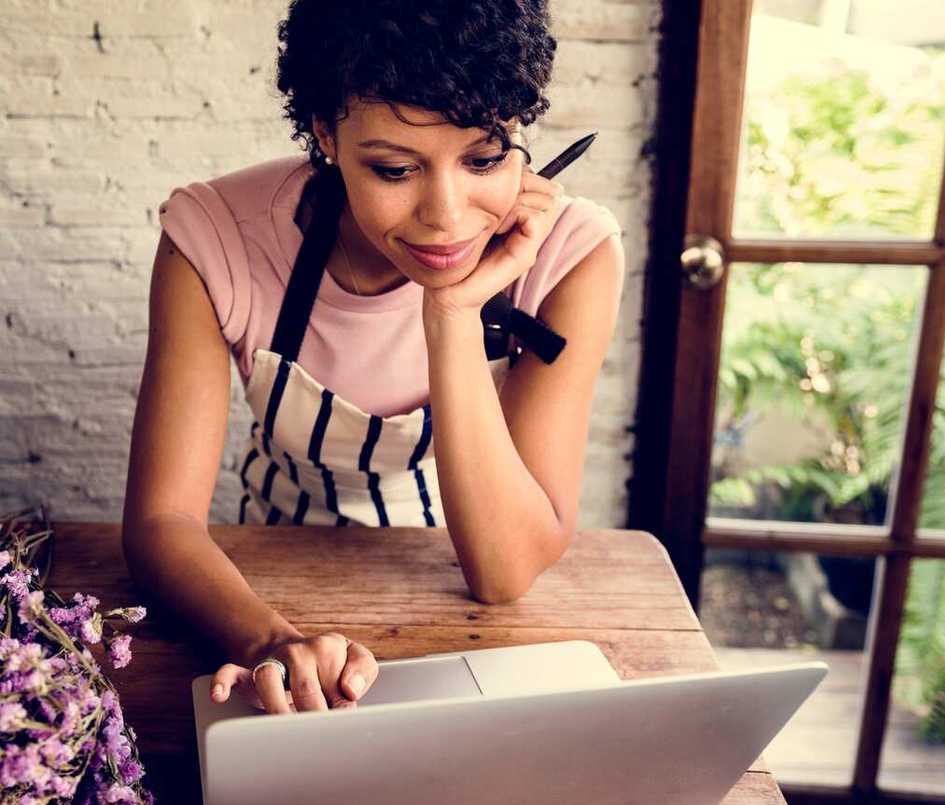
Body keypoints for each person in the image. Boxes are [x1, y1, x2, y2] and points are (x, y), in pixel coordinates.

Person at [120, 0, 626, 716]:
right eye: (394, 169)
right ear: (325, 132)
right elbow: (161, 525)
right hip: (251, 581)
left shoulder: (573, 258)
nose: (446, 216)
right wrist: (267, 639)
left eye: (485, 158)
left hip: (455, 601)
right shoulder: (215, 241)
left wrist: (451, 312)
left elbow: (503, 573)